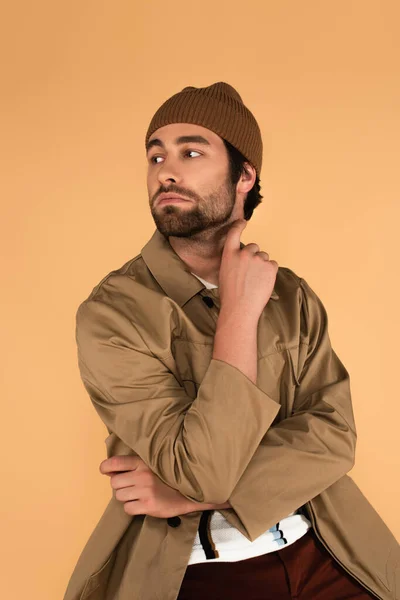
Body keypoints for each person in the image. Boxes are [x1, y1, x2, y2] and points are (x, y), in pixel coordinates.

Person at [64, 82, 399, 600]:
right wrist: (239, 315)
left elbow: (334, 438)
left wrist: (180, 493)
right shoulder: (113, 313)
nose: (165, 171)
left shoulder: (290, 295)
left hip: (327, 549)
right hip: (202, 572)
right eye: (155, 156)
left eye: (191, 152)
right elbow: (205, 473)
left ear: (245, 176)